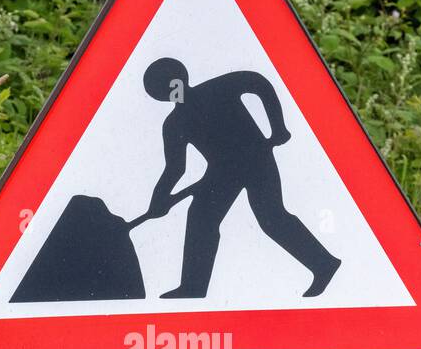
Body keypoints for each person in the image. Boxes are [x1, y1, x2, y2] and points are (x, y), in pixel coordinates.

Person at [143, 58, 341, 298]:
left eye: (168, 86)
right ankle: (193, 287)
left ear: (180, 79)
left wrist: (278, 127)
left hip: (256, 158)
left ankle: (324, 264)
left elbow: (258, 83)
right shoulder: (174, 124)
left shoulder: (217, 89)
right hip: (221, 172)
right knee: (200, 217)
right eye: (162, 91)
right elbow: (175, 168)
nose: (170, 93)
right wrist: (159, 198)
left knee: (271, 217)